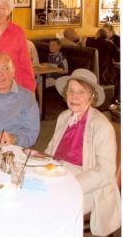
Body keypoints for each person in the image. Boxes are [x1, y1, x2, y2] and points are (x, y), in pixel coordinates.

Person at [45, 69, 121, 236]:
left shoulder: (102, 126)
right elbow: (50, 151)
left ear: (91, 96)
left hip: (90, 186)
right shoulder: (64, 117)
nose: (74, 96)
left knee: (50, 209)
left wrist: (71, 183)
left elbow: (106, 173)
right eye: (71, 91)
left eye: (81, 92)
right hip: (59, 176)